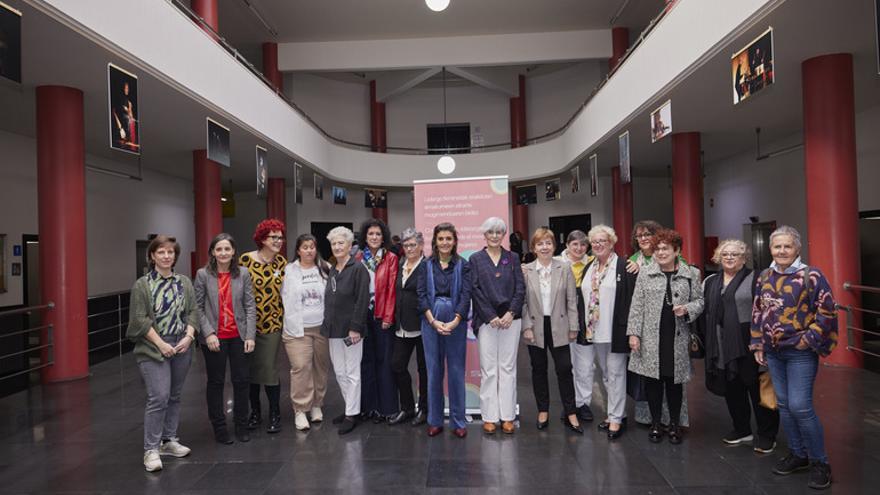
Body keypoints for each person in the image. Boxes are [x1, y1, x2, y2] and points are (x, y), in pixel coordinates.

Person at [751, 226, 837, 490]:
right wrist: (757, 343)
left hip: (799, 352)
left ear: (797, 248)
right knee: (785, 405)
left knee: (800, 406)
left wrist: (806, 340)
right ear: (771, 249)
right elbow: (758, 310)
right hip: (773, 352)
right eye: (777, 246)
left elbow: (827, 311)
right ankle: (798, 455)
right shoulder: (764, 275)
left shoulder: (811, 275)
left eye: (787, 246)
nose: (782, 251)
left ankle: (820, 463)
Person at [126, 235, 198, 472]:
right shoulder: (142, 285)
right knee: (158, 396)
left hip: (181, 345)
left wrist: (188, 336)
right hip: (153, 347)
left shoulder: (184, 282)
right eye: (161, 252)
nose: (166, 256)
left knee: (175, 395)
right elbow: (139, 319)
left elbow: (193, 311)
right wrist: (160, 344)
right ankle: (151, 449)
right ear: (152, 256)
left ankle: (169, 440)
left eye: (170, 252)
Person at [700, 239, 779, 453]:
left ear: (744, 258)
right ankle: (742, 429)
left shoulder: (757, 278)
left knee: (756, 388)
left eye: (735, 254)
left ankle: (767, 434)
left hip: (750, 342)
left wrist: (762, 341)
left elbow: (767, 311)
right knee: (732, 388)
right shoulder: (710, 281)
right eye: (725, 254)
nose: (729, 257)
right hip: (721, 344)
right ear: (718, 257)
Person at [627, 229, 703, 445]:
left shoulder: (691, 274)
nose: (660, 253)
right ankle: (655, 424)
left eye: (665, 249)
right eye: (657, 249)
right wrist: (634, 333)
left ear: (676, 250)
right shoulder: (646, 272)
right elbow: (637, 305)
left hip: (676, 336)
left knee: (674, 382)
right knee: (653, 381)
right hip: (651, 336)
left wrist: (687, 308)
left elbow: (700, 301)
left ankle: (675, 425)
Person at [194, 233, 256, 445]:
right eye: (219, 249)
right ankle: (219, 427)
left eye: (227, 249)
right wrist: (208, 333)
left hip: (239, 336)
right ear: (213, 252)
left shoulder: (243, 274)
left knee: (241, 381)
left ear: (233, 252)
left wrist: (250, 335)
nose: (223, 253)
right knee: (216, 382)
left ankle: (241, 425)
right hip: (214, 339)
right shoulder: (203, 274)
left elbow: (250, 306)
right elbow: (197, 307)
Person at [576, 225, 637, 439]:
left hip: (616, 331)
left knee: (616, 373)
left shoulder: (624, 266)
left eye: (603, 241)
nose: (598, 244)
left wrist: (632, 331)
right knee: (606, 375)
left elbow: (631, 300)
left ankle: (617, 418)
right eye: (595, 242)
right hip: (595, 332)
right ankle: (613, 414)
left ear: (612, 243)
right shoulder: (589, 268)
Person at [520, 228, 581, 433]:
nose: (544, 247)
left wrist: (574, 326)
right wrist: (526, 326)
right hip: (536, 326)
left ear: (554, 246)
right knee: (539, 369)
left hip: (560, 325)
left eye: (548, 243)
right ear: (533, 248)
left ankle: (571, 412)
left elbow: (572, 299)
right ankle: (543, 410)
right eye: (540, 244)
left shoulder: (564, 268)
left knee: (564, 368)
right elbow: (523, 302)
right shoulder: (526, 270)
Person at [470, 217, 525, 434]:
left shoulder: (513, 258)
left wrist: (511, 313)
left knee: (508, 368)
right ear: (484, 235)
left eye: (498, 232)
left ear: (503, 235)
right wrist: (490, 315)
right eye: (490, 232)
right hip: (487, 321)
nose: (494, 236)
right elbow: (475, 289)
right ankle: (490, 416)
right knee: (489, 370)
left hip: (511, 319)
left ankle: (508, 416)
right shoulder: (475, 259)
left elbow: (520, 288)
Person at [418, 222, 472, 437]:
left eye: (449, 238)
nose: (445, 242)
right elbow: (421, 295)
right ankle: (435, 420)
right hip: (431, 322)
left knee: (457, 372)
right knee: (434, 373)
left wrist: (456, 320)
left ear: (455, 241)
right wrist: (433, 321)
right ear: (435, 241)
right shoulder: (426, 265)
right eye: (441, 239)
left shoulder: (463, 265)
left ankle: (458, 422)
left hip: (455, 323)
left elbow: (466, 295)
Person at [240, 219, 287, 434]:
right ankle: (256, 413)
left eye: (280, 237)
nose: (278, 241)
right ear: (262, 239)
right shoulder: (245, 261)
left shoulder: (282, 264)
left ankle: (275, 414)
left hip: (273, 324)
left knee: (268, 368)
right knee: (250, 371)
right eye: (273, 237)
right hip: (247, 326)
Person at [322, 226, 371, 435]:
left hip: (352, 331)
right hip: (333, 329)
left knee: (352, 373)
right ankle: (351, 407)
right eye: (334, 243)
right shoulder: (333, 269)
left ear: (350, 246)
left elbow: (362, 301)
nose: (337, 247)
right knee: (340, 372)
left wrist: (356, 328)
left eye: (341, 243)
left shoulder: (358, 268)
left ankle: (352, 414)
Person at [281, 234, 331, 431]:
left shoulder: (325, 268)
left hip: (322, 328)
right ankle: (300, 409)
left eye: (312, 246)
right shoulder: (289, 270)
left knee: (321, 367)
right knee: (301, 367)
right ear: (298, 250)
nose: (309, 250)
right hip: (297, 329)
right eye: (305, 247)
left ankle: (317, 404)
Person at [356, 218, 400, 423]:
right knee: (366, 362)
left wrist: (389, 316)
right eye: (371, 234)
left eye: (378, 234)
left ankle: (387, 408)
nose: (374, 237)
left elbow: (392, 289)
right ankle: (369, 407)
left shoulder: (391, 258)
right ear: (365, 236)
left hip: (382, 316)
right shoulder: (357, 258)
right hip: (362, 316)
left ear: (384, 238)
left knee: (385, 362)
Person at [389, 228, 429, 426]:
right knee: (397, 365)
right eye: (406, 245)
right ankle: (407, 408)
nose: (410, 248)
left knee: (424, 370)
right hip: (402, 326)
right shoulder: (401, 263)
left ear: (421, 246)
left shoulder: (428, 265)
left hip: (423, 325)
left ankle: (424, 409)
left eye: (413, 244)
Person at [555, 230, 595, 422]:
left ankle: (583, 403)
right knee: (565, 365)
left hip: (586, 322)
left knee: (585, 366)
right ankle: (569, 405)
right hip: (562, 321)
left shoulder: (594, 264)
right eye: (575, 244)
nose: (579, 248)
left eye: (583, 245)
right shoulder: (556, 263)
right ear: (567, 245)